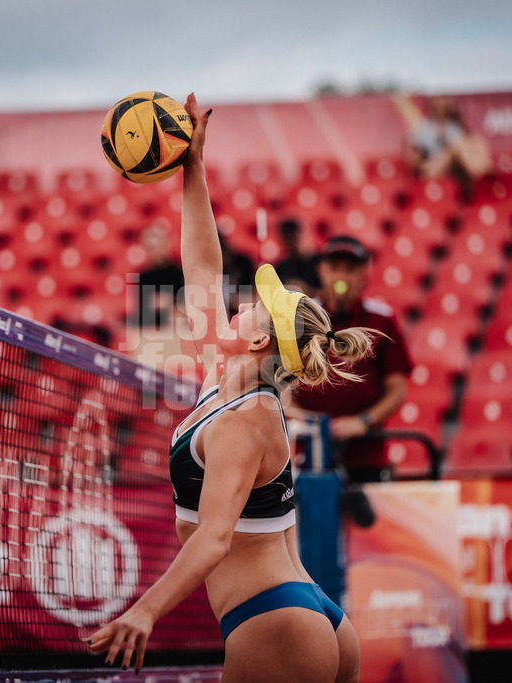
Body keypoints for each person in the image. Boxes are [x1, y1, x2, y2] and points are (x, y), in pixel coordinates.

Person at [88, 94, 372, 683]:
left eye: (254, 309)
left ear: (260, 344)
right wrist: (193, 168)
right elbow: (201, 268)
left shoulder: (245, 419)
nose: (241, 304)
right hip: (296, 612)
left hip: (278, 621)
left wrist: (145, 611)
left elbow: (215, 539)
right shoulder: (229, 385)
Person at [292, 235, 414, 483]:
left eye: (350, 269)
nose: (341, 276)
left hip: (366, 452)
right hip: (311, 452)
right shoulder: (300, 317)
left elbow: (397, 390)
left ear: (363, 274)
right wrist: (312, 423)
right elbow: (282, 389)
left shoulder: (381, 319)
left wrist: (363, 421)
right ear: (321, 270)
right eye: (334, 267)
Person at [398, 93, 492, 201]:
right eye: (439, 102)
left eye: (445, 103)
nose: (442, 106)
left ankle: (482, 170)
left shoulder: (454, 127)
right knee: (457, 146)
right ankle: (483, 172)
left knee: (476, 140)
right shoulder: (421, 129)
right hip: (431, 170)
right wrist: (421, 155)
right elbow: (413, 162)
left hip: (451, 170)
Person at [133, 223, 185, 327]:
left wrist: (170, 302)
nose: (156, 251)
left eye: (159, 246)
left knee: (177, 318)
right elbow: (143, 308)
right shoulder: (143, 277)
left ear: (167, 244)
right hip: (152, 322)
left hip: (175, 319)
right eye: (152, 247)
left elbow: (188, 302)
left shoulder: (180, 272)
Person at [274, 217, 321, 296]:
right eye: (286, 237)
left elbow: (327, 292)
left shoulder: (316, 262)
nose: (290, 241)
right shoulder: (281, 267)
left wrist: (306, 290)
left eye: (292, 236)